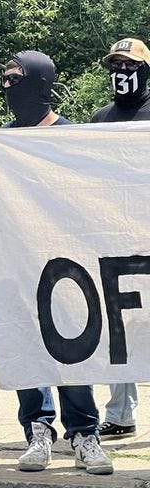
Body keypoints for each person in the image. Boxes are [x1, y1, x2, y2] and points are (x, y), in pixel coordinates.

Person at [0, 50, 113, 475]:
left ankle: (85, 433)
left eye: (16, 79)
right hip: (17, 263)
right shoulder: (2, 142)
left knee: (74, 347)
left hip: (67, 265)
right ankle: (38, 430)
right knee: (26, 345)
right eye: (5, 80)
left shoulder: (70, 138)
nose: (8, 87)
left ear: (40, 83)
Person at [90, 38, 150, 440]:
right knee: (120, 322)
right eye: (115, 65)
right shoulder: (100, 117)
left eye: (129, 65)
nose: (121, 72)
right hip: (116, 229)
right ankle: (121, 413)